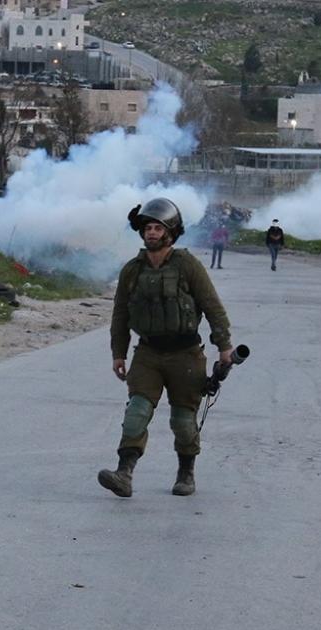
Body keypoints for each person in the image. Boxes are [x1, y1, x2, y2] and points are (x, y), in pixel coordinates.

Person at [98, 198, 233, 498]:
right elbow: (120, 314)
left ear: (170, 233)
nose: (152, 233)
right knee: (137, 410)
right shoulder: (132, 270)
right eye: (148, 227)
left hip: (186, 354)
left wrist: (224, 346)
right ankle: (124, 473)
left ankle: (186, 472)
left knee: (184, 420)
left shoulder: (187, 266)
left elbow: (212, 307)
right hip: (148, 353)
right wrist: (118, 353)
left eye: (158, 228)